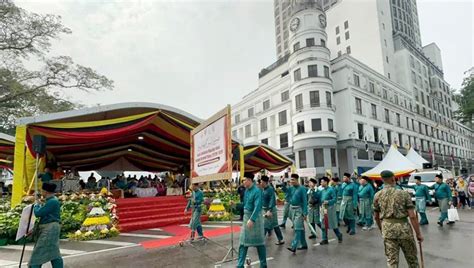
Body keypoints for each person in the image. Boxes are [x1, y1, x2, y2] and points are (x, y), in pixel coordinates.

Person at [373, 170, 422, 268]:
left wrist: (382, 230)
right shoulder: (403, 194)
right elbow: (412, 216)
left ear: (382, 180)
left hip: (387, 229)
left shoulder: (377, 195)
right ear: (393, 179)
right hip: (404, 230)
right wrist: (418, 234)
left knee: (392, 261)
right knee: (412, 259)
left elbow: (376, 216)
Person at [29, 183, 63, 268]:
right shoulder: (52, 200)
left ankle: (34, 266)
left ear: (45, 191)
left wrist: (36, 205)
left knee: (39, 251)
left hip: (49, 229)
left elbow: (38, 213)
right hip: (52, 228)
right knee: (54, 252)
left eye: (42, 190)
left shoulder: (52, 201)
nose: (41, 192)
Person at [237, 172, 266, 268]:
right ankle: (240, 265)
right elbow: (245, 205)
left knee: (259, 243)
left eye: (244, 180)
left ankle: (263, 265)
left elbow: (257, 207)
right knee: (242, 242)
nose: (243, 182)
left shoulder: (257, 191)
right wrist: (235, 205)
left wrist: (252, 219)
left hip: (255, 220)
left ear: (249, 180)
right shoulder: (246, 191)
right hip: (246, 218)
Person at [286, 174, 308, 253]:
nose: (291, 181)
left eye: (293, 180)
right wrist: (282, 183)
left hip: (299, 210)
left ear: (297, 180)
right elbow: (285, 191)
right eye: (290, 180)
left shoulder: (302, 189)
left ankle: (293, 246)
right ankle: (304, 244)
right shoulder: (291, 188)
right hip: (292, 209)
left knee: (297, 228)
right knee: (300, 228)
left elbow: (305, 201)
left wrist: (305, 213)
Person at [260, 176, 284, 245]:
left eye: (261, 182)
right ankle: (281, 239)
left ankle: (260, 241)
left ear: (265, 182)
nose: (260, 183)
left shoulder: (270, 189)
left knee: (266, 225)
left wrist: (269, 210)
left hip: (270, 210)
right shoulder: (263, 189)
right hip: (265, 209)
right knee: (273, 225)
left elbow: (272, 199)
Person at [319, 177, 343, 245]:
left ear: (326, 182)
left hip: (330, 209)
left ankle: (339, 235)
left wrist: (328, 201)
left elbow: (334, 199)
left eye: (322, 181)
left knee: (332, 223)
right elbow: (320, 199)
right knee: (323, 223)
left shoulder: (331, 189)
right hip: (324, 208)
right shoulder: (322, 191)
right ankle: (324, 239)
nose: (321, 183)